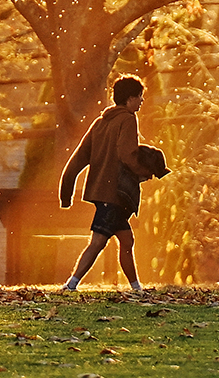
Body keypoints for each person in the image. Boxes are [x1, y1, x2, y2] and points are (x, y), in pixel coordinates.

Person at [57, 76, 166, 292]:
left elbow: (79, 157)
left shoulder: (100, 122)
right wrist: (144, 171)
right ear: (130, 98)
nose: (142, 101)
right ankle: (71, 284)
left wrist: (66, 191)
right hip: (115, 193)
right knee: (97, 242)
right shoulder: (127, 119)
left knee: (126, 241)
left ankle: (136, 288)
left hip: (101, 192)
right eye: (139, 97)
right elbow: (127, 155)